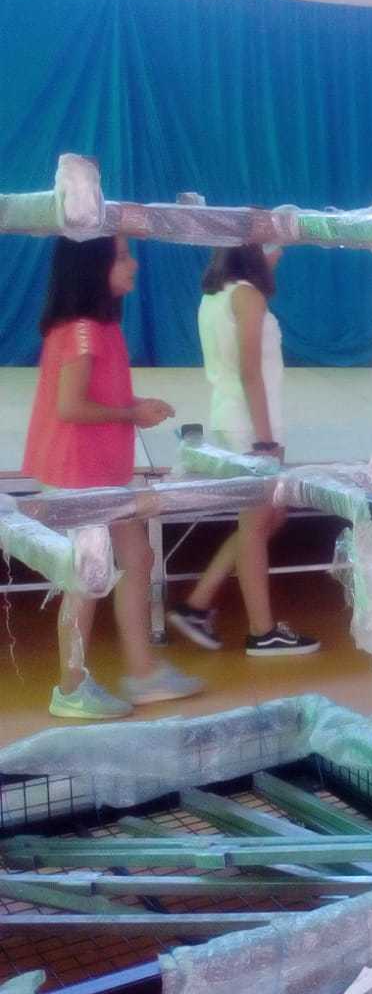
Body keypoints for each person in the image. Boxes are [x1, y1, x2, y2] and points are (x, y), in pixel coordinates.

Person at [24, 237, 203, 718]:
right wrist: (131, 413)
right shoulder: (82, 330)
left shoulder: (103, 326)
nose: (134, 264)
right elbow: (70, 406)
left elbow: (97, 395)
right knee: (87, 577)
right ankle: (70, 687)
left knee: (138, 557)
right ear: (93, 265)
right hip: (78, 471)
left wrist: (135, 406)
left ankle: (143, 673)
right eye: (122, 256)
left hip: (102, 470)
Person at [165, 245, 318, 657]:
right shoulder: (247, 295)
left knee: (269, 517)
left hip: (237, 416)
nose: (279, 253)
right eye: (271, 245)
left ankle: (197, 604)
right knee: (255, 524)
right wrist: (265, 442)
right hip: (250, 425)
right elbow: (250, 372)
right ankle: (261, 631)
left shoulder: (216, 296)